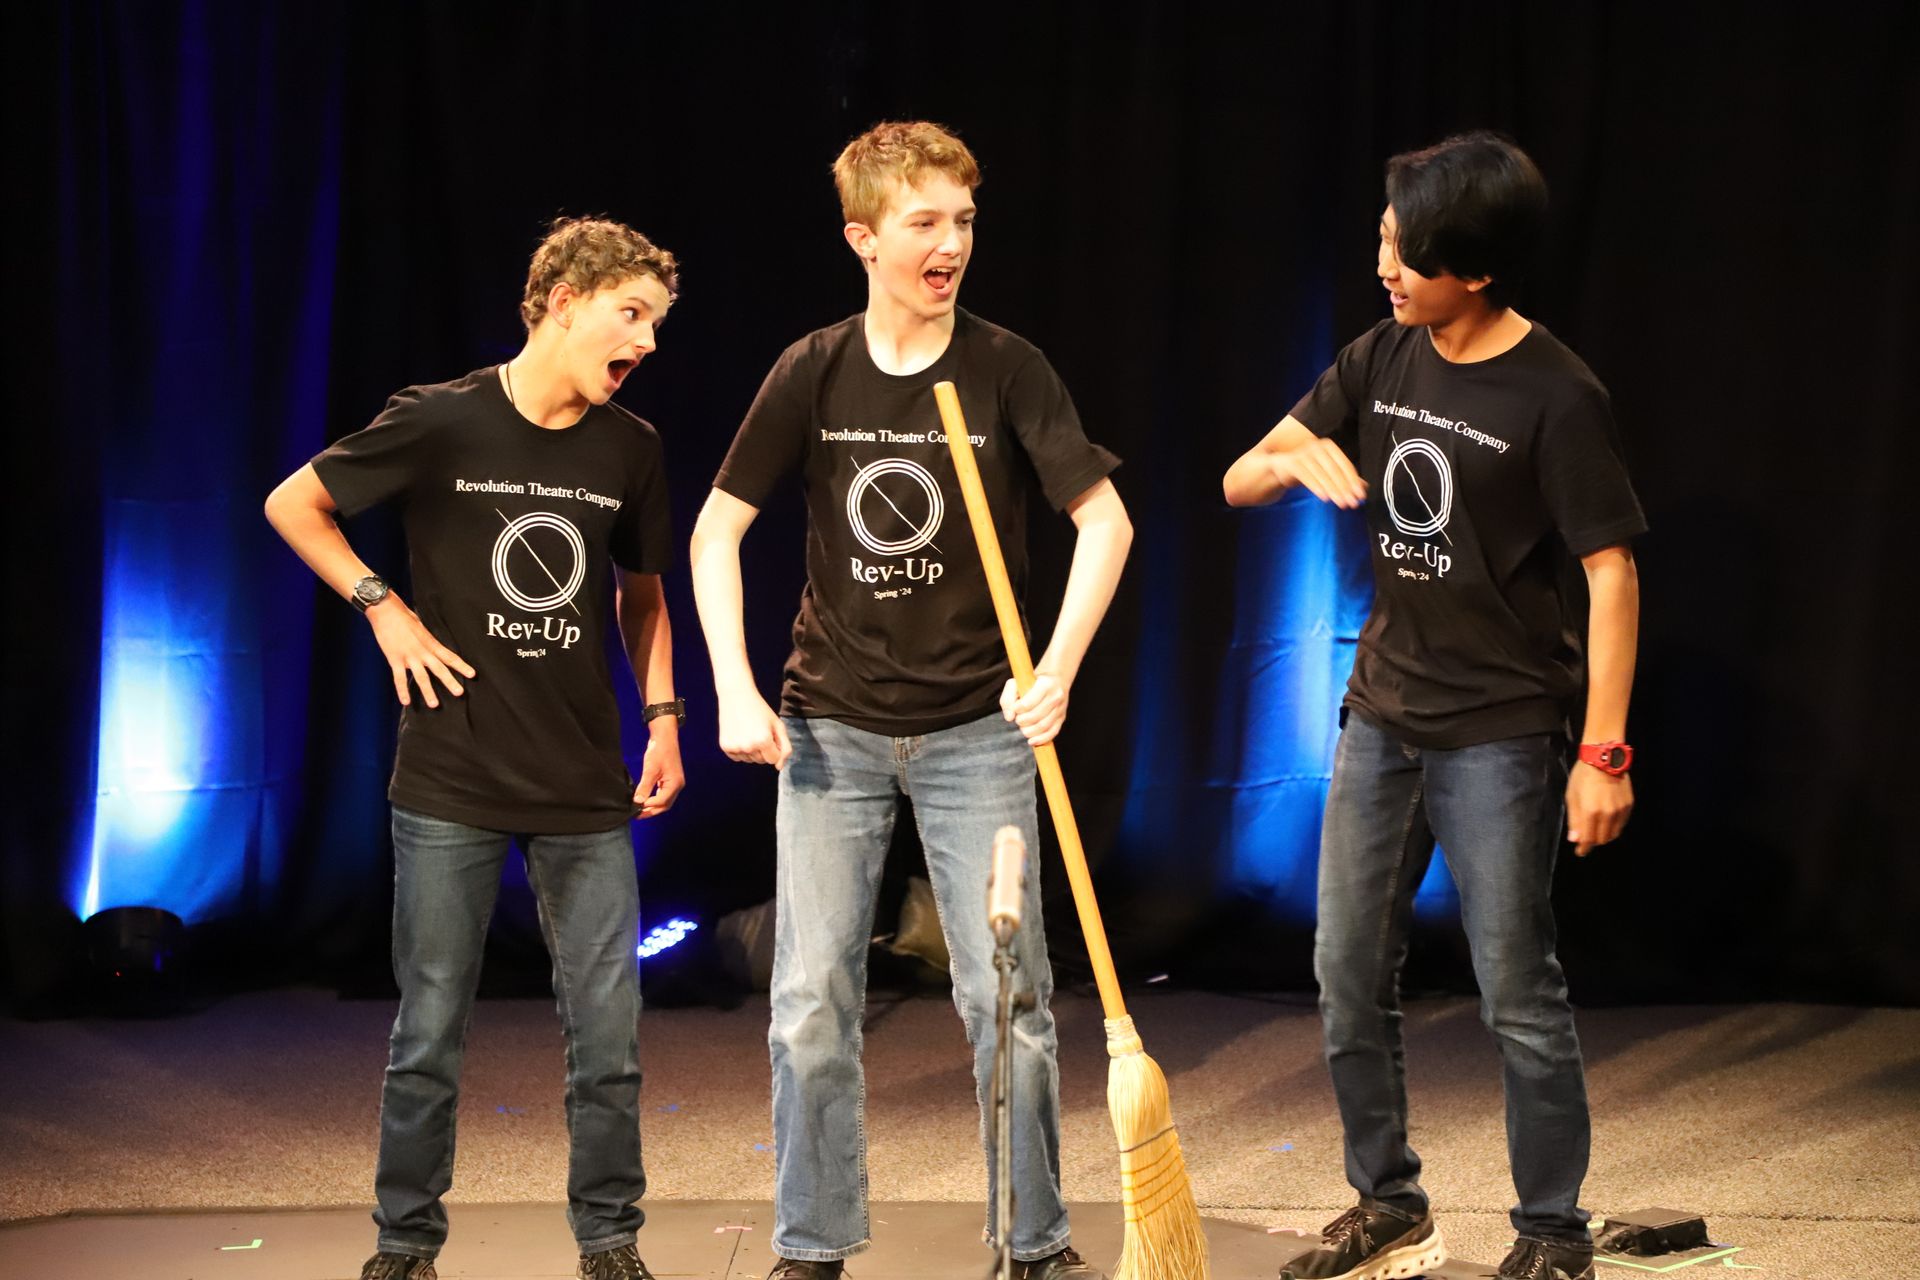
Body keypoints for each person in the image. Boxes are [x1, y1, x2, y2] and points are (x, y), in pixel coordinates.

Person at [689, 121, 1133, 1280]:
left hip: (977, 728)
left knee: (1012, 995)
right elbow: (716, 528)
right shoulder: (815, 368)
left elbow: (1105, 520)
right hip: (830, 722)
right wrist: (733, 686)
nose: (951, 245)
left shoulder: (1005, 366)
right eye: (925, 223)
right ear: (864, 236)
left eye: (965, 222)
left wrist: (1058, 666)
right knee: (810, 1001)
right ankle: (813, 1243)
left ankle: (1033, 1242)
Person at [1223, 132, 1644, 1280]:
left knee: (1516, 985)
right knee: (1346, 967)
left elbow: (1612, 571)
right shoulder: (1379, 354)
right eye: (1381, 242)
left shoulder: (1557, 393)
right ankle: (1386, 1198)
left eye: (1407, 253)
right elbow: (1240, 474)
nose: (1385, 267)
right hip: (1383, 714)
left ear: (1479, 268)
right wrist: (1288, 464)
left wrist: (1601, 750)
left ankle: (1553, 1230)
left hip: (1504, 728)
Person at [265, 216, 687, 1280]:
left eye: (656, 323)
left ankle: (610, 1239)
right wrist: (381, 605)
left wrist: (666, 717)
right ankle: (406, 1242)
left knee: (607, 1034)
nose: (644, 340)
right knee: (429, 1029)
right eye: (629, 314)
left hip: (582, 777)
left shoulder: (629, 447)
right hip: (450, 773)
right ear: (560, 301)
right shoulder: (443, 419)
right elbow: (294, 503)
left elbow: (642, 595)